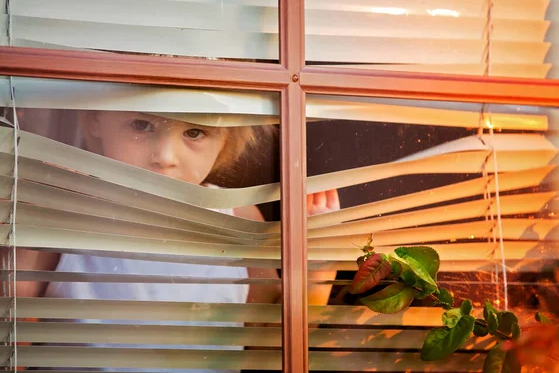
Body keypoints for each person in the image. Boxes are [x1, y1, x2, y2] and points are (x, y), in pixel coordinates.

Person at [11, 110, 338, 370]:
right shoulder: (65, 213)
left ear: (227, 138)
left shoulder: (236, 216)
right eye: (141, 124)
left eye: (195, 131)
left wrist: (316, 273)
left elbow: (268, 338)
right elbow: (14, 330)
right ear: (95, 119)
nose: (165, 156)